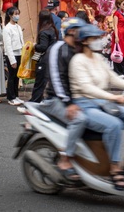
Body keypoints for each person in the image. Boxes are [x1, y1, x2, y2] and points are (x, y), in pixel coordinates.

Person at [69, 24, 124, 189]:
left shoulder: (98, 58)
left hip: (102, 102)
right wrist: (113, 97)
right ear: (85, 41)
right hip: (85, 104)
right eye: (95, 38)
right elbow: (87, 88)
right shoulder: (78, 60)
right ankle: (114, 169)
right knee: (115, 125)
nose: (99, 41)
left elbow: (112, 78)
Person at [41, 17, 89, 181]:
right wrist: (68, 103)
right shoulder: (58, 48)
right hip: (56, 100)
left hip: (75, 99)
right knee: (80, 120)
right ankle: (65, 160)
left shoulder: (77, 49)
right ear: (71, 31)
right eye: (79, 30)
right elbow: (56, 78)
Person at [30, 9, 59, 102]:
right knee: (46, 82)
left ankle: (34, 102)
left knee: (39, 82)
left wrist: (35, 46)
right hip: (52, 58)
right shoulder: (53, 29)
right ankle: (41, 100)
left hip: (44, 59)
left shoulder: (44, 32)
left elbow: (43, 47)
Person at [3, 7, 24, 106]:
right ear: (10, 15)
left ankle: (16, 96)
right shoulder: (7, 29)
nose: (17, 16)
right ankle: (11, 97)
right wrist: (12, 60)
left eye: (18, 13)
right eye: (15, 14)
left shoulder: (18, 27)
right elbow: (8, 46)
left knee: (17, 76)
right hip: (11, 54)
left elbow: (21, 41)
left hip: (19, 53)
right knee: (11, 76)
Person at [112, 0, 124, 79]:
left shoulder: (122, 13)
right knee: (118, 53)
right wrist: (116, 36)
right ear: (118, 5)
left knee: (123, 53)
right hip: (119, 34)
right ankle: (119, 72)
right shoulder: (116, 14)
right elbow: (115, 26)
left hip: (123, 35)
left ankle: (122, 72)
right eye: (123, 4)